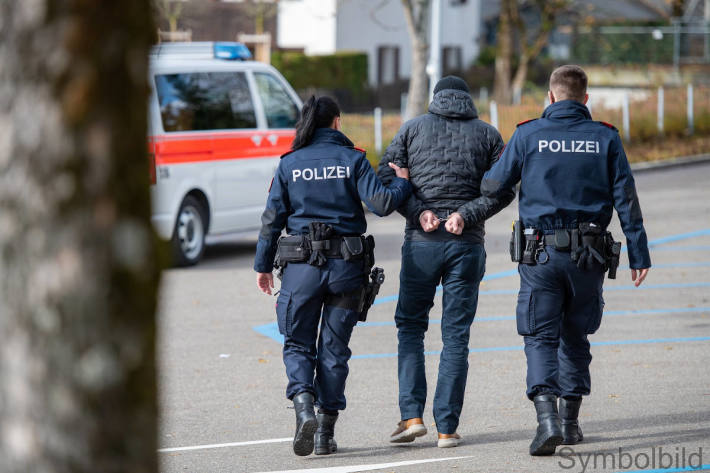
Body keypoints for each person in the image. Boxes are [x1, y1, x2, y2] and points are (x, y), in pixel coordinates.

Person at [480, 65, 651, 456]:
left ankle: (547, 421)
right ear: (586, 99)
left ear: (551, 97)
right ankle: (571, 424)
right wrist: (639, 253)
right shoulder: (605, 137)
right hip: (589, 255)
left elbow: (493, 184)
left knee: (540, 336)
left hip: (540, 254)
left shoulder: (528, 133)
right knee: (576, 336)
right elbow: (626, 198)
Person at [254, 96, 411, 457]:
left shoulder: (289, 164)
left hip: (301, 271)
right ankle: (324, 432)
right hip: (346, 270)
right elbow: (382, 204)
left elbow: (271, 220)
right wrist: (402, 182)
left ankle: (304, 405)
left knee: (297, 344)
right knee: (334, 349)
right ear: (337, 123)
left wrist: (262, 267)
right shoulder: (353, 159)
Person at [378, 76, 515, 448]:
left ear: (436, 98)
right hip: (466, 245)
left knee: (410, 327)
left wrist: (419, 210)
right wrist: (466, 215)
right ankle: (447, 429)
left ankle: (411, 417)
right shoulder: (488, 135)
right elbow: (505, 191)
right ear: (468, 100)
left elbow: (384, 180)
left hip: (421, 244)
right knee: (456, 337)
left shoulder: (411, 130)